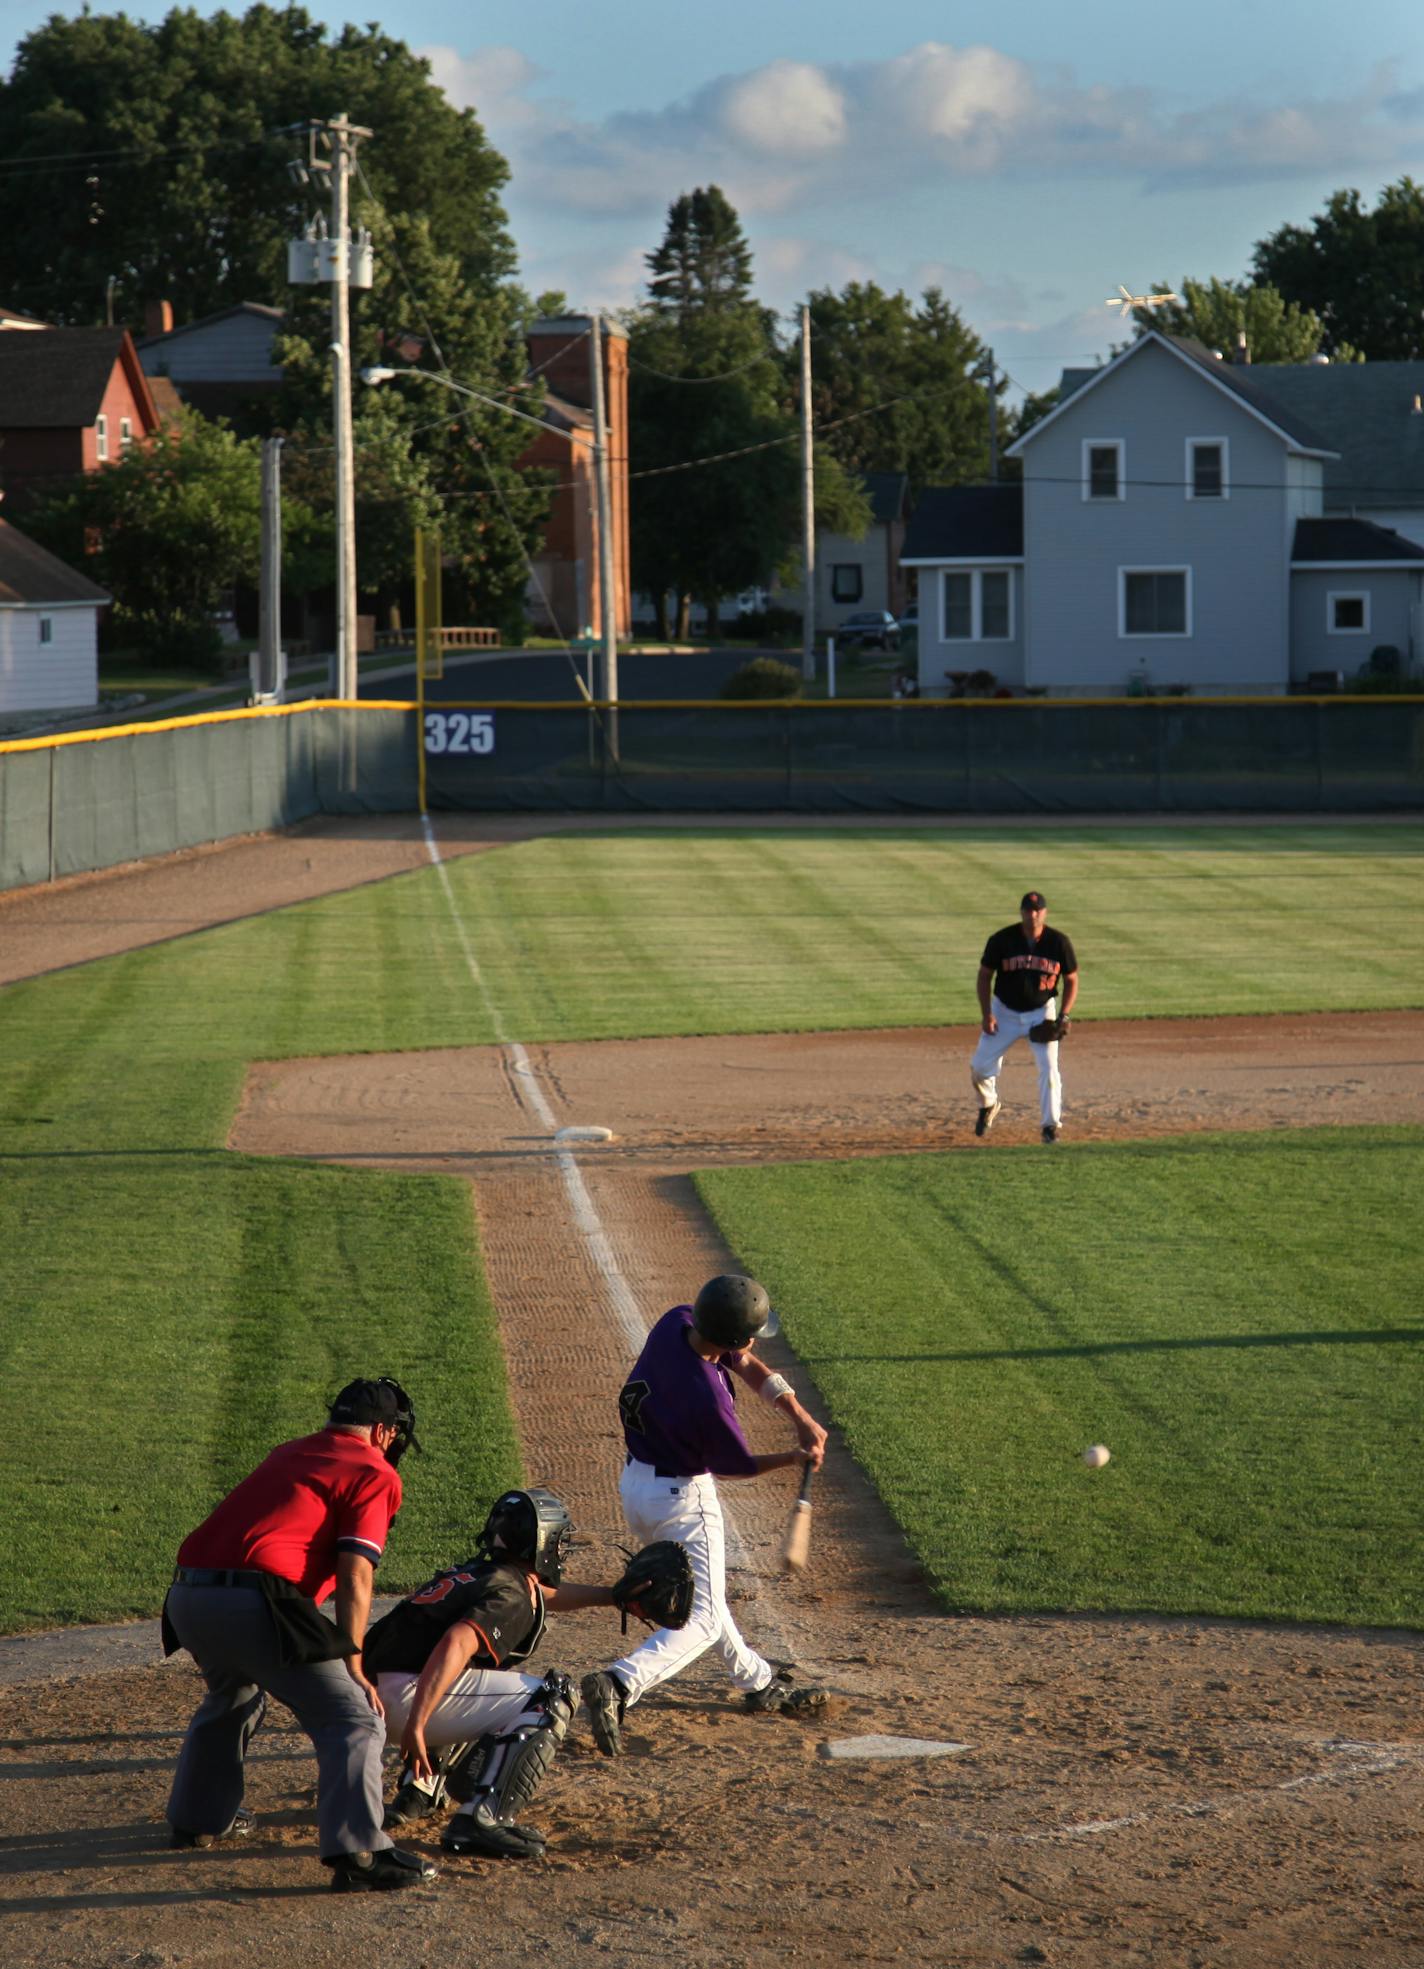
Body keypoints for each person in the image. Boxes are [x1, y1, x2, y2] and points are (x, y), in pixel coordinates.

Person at [162, 1376, 437, 1893]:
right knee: (354, 1717)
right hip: (255, 1603)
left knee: (234, 1692)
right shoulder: (372, 1470)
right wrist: (354, 1661)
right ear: (380, 1431)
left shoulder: (289, 1452)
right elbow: (356, 1574)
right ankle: (358, 1851)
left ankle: (196, 1818)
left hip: (186, 1599)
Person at [580, 1274, 828, 1757]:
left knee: (707, 1593)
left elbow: (746, 1361)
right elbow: (733, 1467)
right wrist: (794, 1457)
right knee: (705, 1618)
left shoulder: (677, 1322)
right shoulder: (708, 1398)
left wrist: (800, 1417)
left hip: (636, 1488)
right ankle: (618, 1683)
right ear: (736, 1334)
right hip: (682, 1502)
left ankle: (757, 1681)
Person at [363, 1486, 618, 1859]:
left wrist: (613, 1596)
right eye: (559, 1541)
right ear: (541, 1543)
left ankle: (421, 1788)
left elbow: (542, 1596)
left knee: (472, 1677)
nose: (561, 1550)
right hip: (402, 1705)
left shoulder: (480, 1573)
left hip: (363, 1694)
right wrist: (417, 1723)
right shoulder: (511, 1592)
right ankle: (482, 1818)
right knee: (549, 1696)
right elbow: (455, 1644)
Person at [970, 889, 1079, 1144]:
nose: (1033, 914)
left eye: (1037, 909)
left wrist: (1063, 1015)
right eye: (1028, 910)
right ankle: (988, 1104)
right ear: (1021, 912)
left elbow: (1071, 979)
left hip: (1041, 1014)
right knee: (979, 1067)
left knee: (1049, 1067)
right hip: (1003, 1012)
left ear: (1044, 912)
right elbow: (984, 976)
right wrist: (987, 1014)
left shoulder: (1058, 942)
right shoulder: (1001, 940)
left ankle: (1050, 1127)